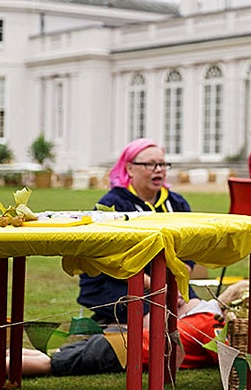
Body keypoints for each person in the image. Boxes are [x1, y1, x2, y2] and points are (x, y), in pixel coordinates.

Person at [0, 283, 242, 381]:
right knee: (51, 365)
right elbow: (227, 362)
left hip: (119, 338)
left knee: (54, 354)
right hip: (123, 352)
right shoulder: (211, 328)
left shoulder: (199, 313)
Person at [77, 139, 192, 325]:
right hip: (114, 284)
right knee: (158, 321)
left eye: (162, 164)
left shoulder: (176, 203)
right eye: (150, 164)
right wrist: (159, 285)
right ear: (129, 169)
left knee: (198, 312)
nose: (159, 169)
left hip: (165, 283)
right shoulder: (112, 205)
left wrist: (179, 277)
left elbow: (191, 245)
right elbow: (110, 259)